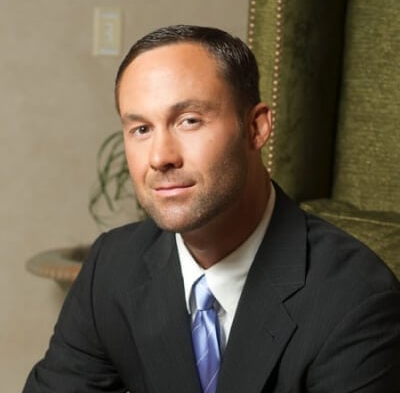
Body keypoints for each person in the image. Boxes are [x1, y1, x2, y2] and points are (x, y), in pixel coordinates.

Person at [23, 25, 400, 393]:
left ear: (256, 127)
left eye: (189, 121)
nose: (160, 157)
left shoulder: (357, 299)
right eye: (141, 129)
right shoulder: (111, 266)